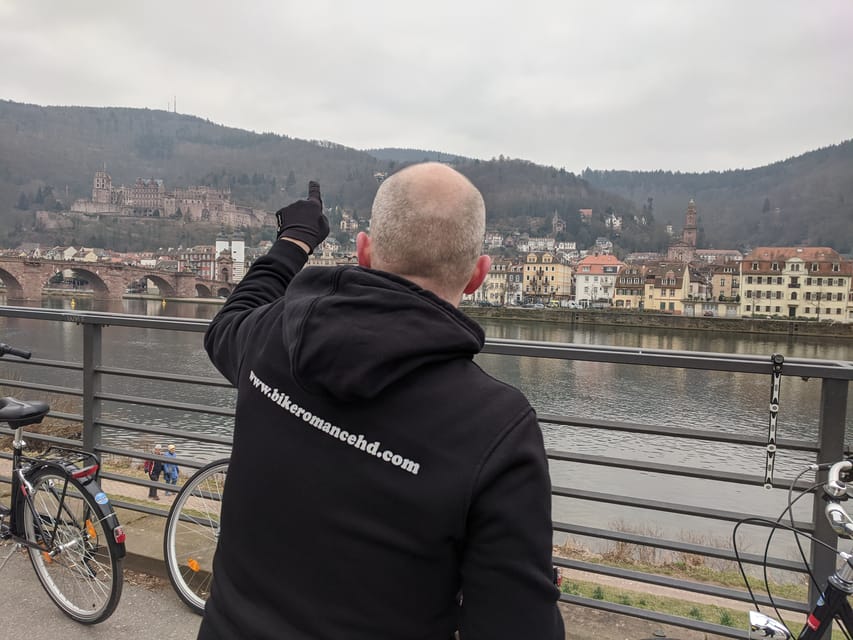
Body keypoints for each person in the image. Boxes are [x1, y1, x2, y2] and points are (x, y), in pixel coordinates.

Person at [200, 165, 564, 639]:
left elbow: (229, 322)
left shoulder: (276, 336)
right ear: (477, 276)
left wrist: (294, 241)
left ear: (364, 252)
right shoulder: (496, 427)